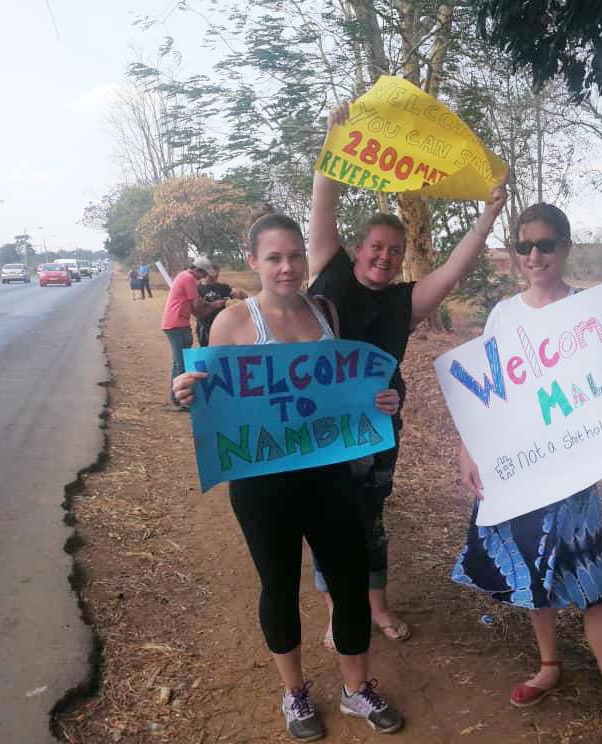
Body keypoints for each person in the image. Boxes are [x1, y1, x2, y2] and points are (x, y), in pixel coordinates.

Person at [453, 204, 602, 744]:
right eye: (524, 246)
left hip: (573, 471)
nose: (534, 256)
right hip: (518, 472)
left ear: (565, 247)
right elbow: (483, 395)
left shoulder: (593, 313)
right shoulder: (503, 316)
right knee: (533, 574)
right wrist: (469, 449)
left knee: (594, 589)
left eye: (545, 244)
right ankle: (549, 666)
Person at [172, 213, 405, 739]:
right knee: (278, 585)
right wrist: (185, 391)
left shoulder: (326, 311)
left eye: (295, 255)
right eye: (274, 257)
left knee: (349, 582)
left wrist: (379, 401)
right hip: (262, 484)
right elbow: (212, 397)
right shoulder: (232, 323)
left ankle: (356, 689)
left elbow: (344, 391)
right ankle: (294, 692)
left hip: (331, 476)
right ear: (252, 260)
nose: (287, 267)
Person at [307, 101, 508, 648]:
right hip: (316, 422)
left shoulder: (405, 302)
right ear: (359, 249)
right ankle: (338, 609)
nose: (385, 257)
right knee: (326, 518)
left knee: (371, 516)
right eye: (376, 247)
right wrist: (333, 141)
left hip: (378, 425)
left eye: (395, 252)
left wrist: (486, 219)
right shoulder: (328, 270)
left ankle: (376, 605)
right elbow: (324, 204)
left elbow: (454, 270)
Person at [161, 256, 214, 409]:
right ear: (197, 270)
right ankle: (179, 399)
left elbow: (195, 304)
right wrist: (213, 305)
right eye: (203, 274)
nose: (204, 277)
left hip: (178, 322)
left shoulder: (184, 276)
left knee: (180, 361)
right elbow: (197, 305)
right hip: (176, 323)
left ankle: (176, 397)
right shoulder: (189, 279)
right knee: (181, 362)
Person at [195, 265, 237, 347]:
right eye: (213, 275)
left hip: (222, 325)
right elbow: (197, 309)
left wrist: (235, 295)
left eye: (217, 275)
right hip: (205, 326)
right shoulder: (197, 289)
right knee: (207, 350)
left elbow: (235, 295)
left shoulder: (222, 287)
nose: (215, 278)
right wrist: (214, 305)